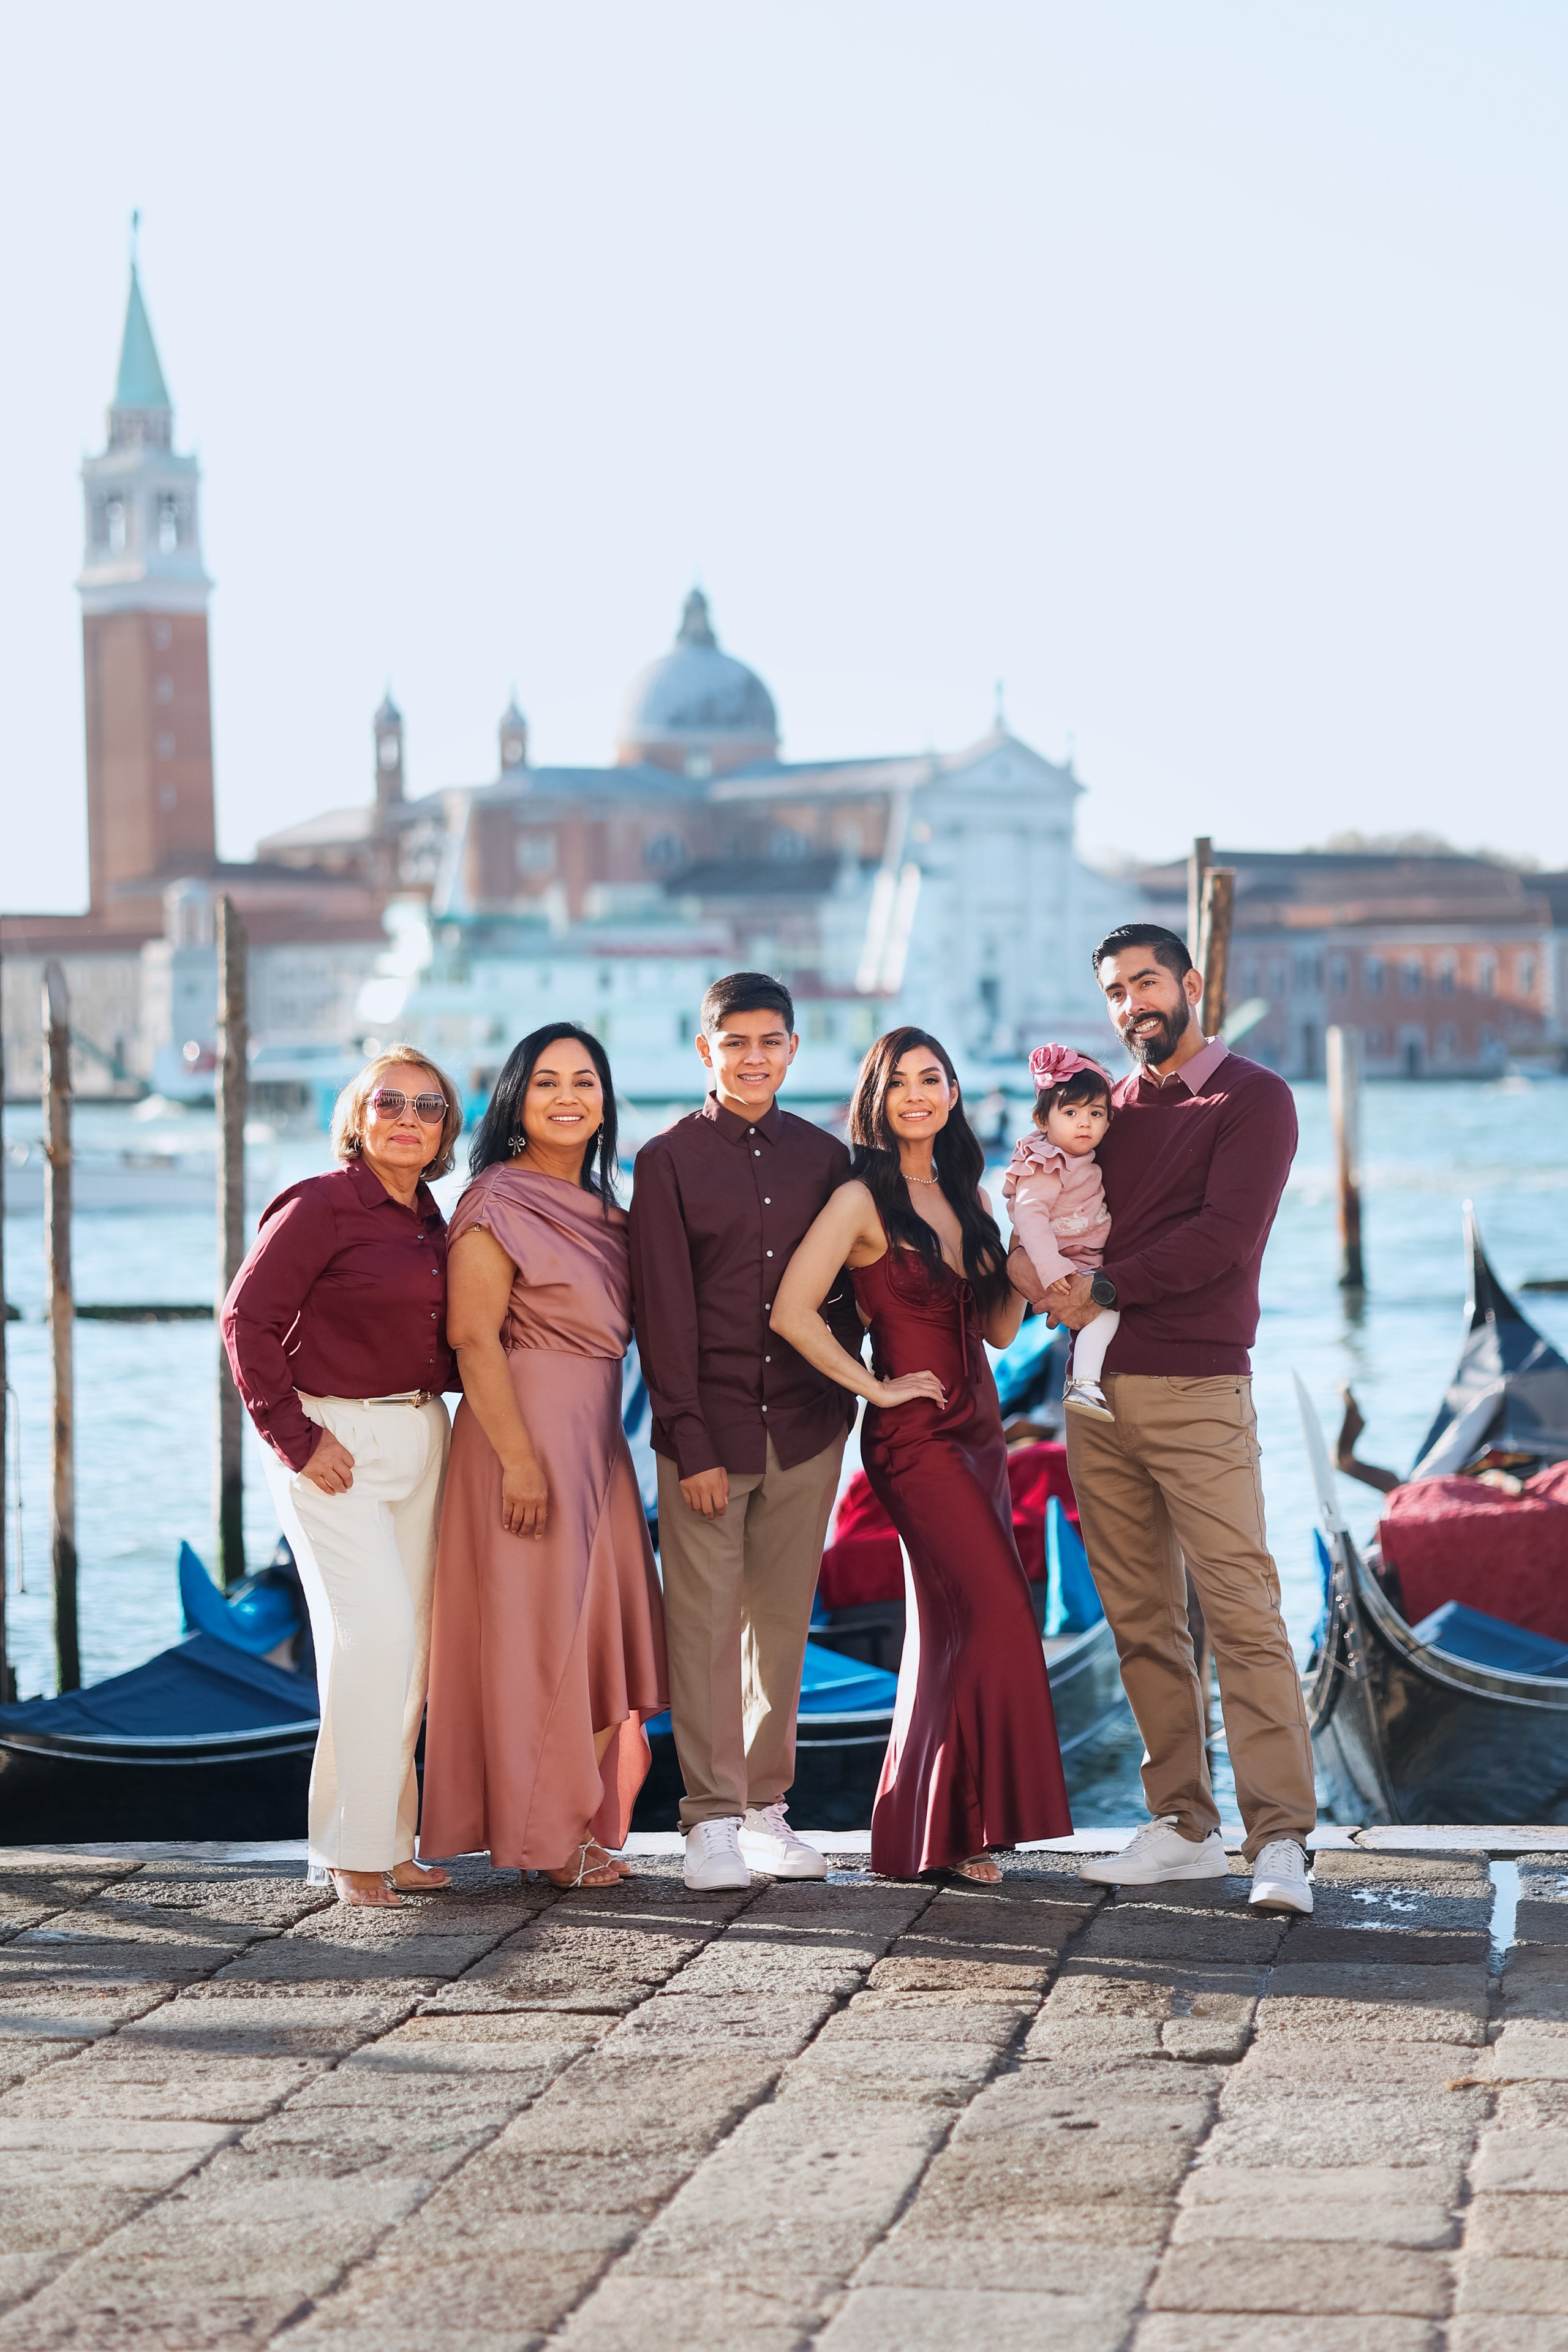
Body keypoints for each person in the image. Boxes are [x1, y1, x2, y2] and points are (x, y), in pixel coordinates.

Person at [1016, 923, 1316, 1915]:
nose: (1132, 1001)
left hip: (1197, 1390)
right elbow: (1052, 1210)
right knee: (1140, 1618)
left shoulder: (1255, 1098)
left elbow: (1225, 1240)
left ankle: (1279, 1839)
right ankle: (1183, 1825)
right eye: (1114, 990)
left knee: (1242, 1611)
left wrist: (1102, 1288)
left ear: (1190, 984)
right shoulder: (1104, 1112)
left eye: (1147, 981)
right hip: (1092, 1396)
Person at [773, 1027, 1072, 1882]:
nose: (917, 1092)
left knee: (947, 1630)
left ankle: (928, 1832)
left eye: (931, 1078)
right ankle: (964, 1821)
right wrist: (877, 1389)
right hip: (913, 1441)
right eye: (899, 1080)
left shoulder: (969, 1196)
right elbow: (793, 1312)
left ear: (951, 1094)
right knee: (997, 1614)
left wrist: (1026, 1257)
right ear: (878, 1098)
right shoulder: (859, 1201)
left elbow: (1000, 1332)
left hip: (980, 1433)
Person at [420, 1026, 667, 1888]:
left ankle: (577, 1818)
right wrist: (520, 1462)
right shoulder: (494, 1198)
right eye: (548, 1082)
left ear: (605, 1101)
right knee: (535, 1640)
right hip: (517, 1438)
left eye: (587, 1082)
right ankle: (543, 1837)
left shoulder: (612, 1211)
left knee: (600, 1636)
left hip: (597, 1439)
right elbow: (472, 1338)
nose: (569, 1096)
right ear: (518, 1100)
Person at [628, 972, 859, 1891]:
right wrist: (689, 1439)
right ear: (705, 1052)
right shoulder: (666, 1161)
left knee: (782, 1629)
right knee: (704, 1629)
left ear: (794, 1049)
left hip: (806, 1428)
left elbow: (848, 1295)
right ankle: (709, 1822)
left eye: (771, 1042)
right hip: (709, 1430)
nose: (754, 1058)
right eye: (736, 1043)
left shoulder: (828, 1160)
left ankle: (767, 1812)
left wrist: (850, 1401)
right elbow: (662, 1314)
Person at [222, 1047, 462, 1907]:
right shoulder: (319, 1204)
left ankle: (389, 1840)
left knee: (413, 1651)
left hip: (422, 1433)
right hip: (332, 1442)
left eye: (428, 1107)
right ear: (357, 1117)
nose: (408, 1117)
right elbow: (245, 1320)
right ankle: (348, 1851)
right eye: (389, 1101)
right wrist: (296, 1436)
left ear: (445, 1131)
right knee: (377, 1636)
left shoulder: (435, 1218)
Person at [1002, 1042, 1118, 1420]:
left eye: (1095, 1113)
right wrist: (1053, 1270)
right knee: (1107, 1314)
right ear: (1042, 1120)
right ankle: (1083, 1384)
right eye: (1070, 1112)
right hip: (1064, 1262)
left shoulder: (1081, 1157)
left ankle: (1080, 1380)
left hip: (1082, 1257)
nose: (1084, 1122)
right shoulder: (1046, 1162)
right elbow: (1030, 1217)